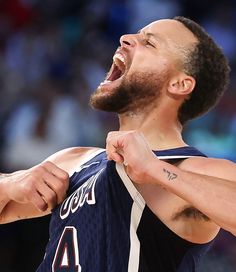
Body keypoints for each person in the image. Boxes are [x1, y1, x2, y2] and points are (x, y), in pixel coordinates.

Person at [0, 16, 235, 271]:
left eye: (149, 43)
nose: (126, 38)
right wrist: (11, 184)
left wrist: (157, 171)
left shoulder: (192, 169)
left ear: (179, 84)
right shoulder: (75, 160)